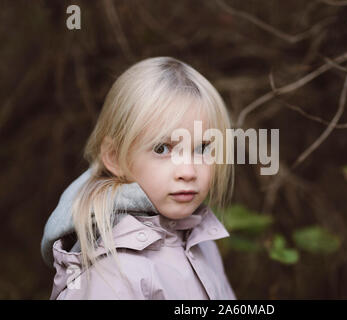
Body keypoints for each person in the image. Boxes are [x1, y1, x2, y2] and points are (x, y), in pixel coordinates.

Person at [40, 56, 236, 299]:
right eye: (162, 149)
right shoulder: (112, 271)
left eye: (202, 148)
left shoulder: (201, 242)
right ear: (114, 157)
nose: (188, 172)